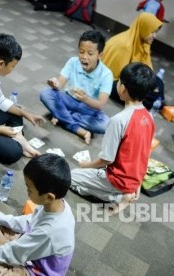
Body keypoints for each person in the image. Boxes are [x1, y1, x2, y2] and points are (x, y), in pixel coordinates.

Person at [0, 154, 75, 276]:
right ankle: (0, 239)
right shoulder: (57, 204)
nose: (27, 192)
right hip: (30, 249)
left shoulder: (50, 231)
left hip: (36, 270)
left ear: (49, 197)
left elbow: (17, 252)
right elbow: (30, 221)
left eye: (29, 189)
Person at [70, 62, 156, 214]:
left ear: (122, 88)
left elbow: (106, 160)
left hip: (115, 180)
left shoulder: (119, 120)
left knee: (70, 177)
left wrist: (86, 165)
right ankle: (123, 193)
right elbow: (145, 154)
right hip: (133, 179)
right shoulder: (149, 118)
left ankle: (116, 197)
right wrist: (138, 183)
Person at [0, 33, 45, 165]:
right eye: (13, 66)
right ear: (1, 63)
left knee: (17, 111)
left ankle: (18, 138)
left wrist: (27, 114)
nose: (13, 69)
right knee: (14, 153)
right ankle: (18, 141)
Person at [40, 30, 113, 144]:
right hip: (68, 100)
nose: (84, 57)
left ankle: (61, 115)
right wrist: (55, 84)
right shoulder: (73, 62)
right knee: (46, 93)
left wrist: (85, 99)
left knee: (106, 124)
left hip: (89, 108)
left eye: (90, 53)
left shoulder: (106, 74)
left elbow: (101, 105)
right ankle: (77, 129)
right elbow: (59, 84)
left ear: (100, 55)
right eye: (81, 51)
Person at [101, 12, 163, 107]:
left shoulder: (143, 43)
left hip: (131, 75)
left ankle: (154, 99)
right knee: (144, 98)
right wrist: (144, 85)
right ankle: (154, 100)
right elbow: (121, 76)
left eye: (156, 32)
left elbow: (147, 69)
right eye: (152, 32)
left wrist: (152, 84)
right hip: (112, 81)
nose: (154, 36)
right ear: (143, 28)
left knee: (158, 82)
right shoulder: (124, 45)